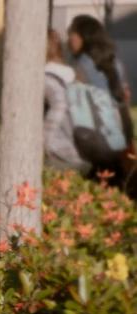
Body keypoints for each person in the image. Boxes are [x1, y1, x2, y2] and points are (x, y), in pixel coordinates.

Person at [67, 14, 135, 189]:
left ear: (84, 37)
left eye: (72, 35)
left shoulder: (80, 67)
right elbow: (123, 100)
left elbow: (78, 109)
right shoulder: (115, 63)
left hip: (96, 141)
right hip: (120, 137)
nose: (69, 40)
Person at [43, 29, 89, 172]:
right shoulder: (73, 73)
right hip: (86, 150)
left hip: (61, 153)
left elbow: (59, 104)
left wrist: (44, 141)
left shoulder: (44, 75)